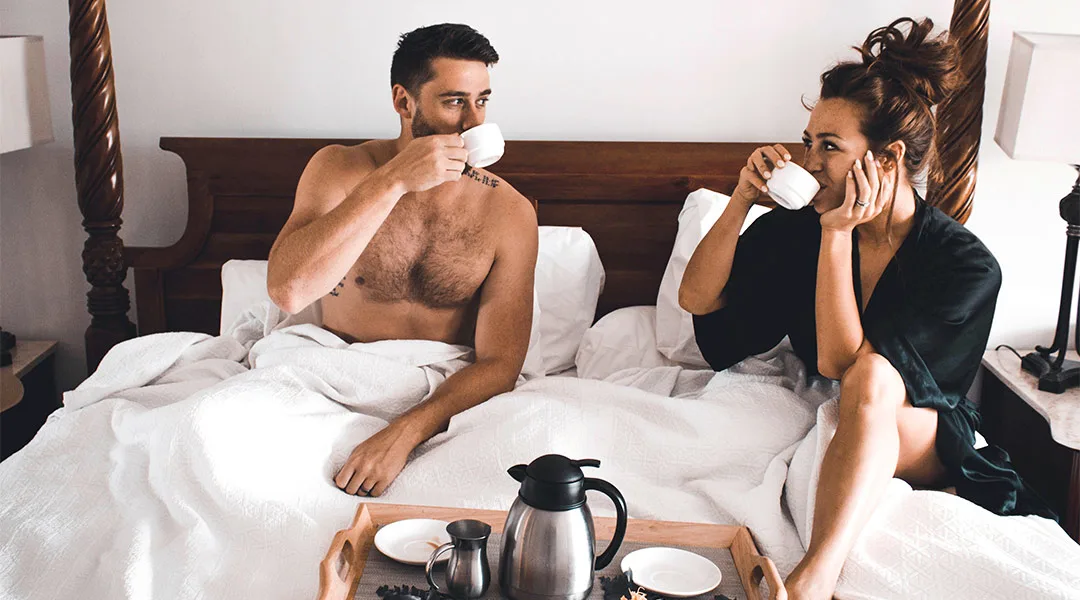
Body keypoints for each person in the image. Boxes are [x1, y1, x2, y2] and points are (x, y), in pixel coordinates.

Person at [679, 17, 1052, 600]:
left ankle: (816, 574)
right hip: (854, 399)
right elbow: (697, 298)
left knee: (874, 374)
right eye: (808, 142)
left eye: (829, 146)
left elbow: (845, 365)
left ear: (887, 158)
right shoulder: (800, 229)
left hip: (921, 430)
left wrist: (837, 235)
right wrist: (741, 200)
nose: (809, 161)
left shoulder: (964, 266)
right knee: (865, 377)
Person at [267, 23, 538, 498]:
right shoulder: (339, 169)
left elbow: (500, 363)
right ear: (403, 102)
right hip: (331, 381)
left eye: (482, 101)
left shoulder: (509, 212)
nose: (473, 122)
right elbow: (289, 291)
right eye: (454, 102)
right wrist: (392, 181)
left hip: (442, 399)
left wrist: (405, 433)